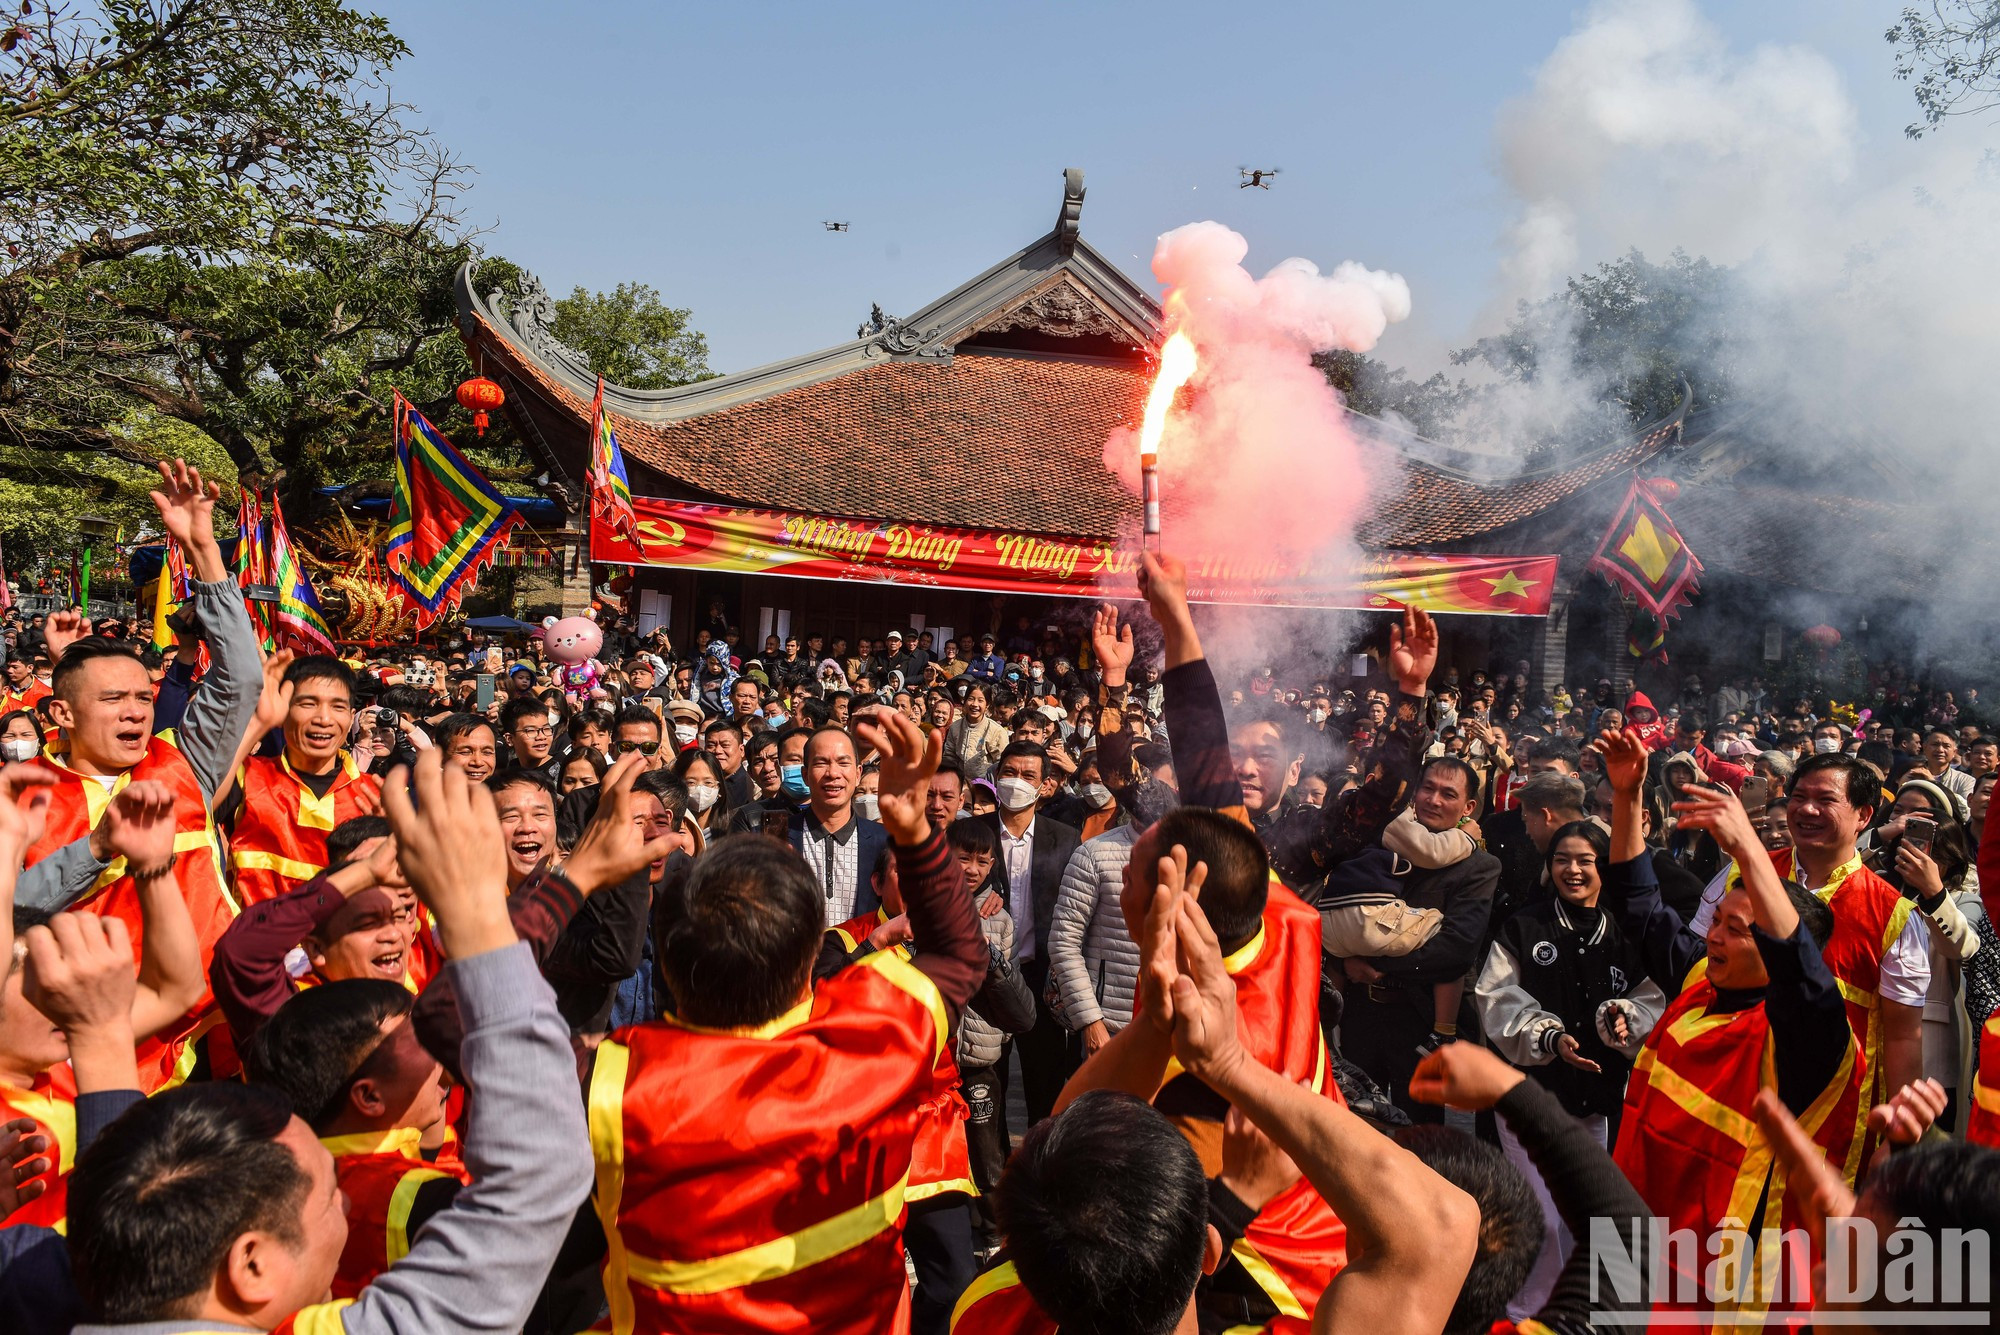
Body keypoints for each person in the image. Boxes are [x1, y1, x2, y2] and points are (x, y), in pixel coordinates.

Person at [63, 750, 595, 1335]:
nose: (394, 933)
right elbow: (533, 1184)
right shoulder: (293, 1019)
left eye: (404, 913)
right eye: (368, 920)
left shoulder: (428, 967)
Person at [961, 847, 1479, 1335]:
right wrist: (1229, 1064)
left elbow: (1068, 1137)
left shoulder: (983, 1312)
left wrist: (1151, 1025)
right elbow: (1441, 1225)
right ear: (1212, 1250)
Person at [586, 708, 986, 1333]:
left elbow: (470, 1037)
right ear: (811, 955)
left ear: (669, 955)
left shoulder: (610, 1082)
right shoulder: (871, 1042)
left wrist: (579, 879)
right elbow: (961, 954)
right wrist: (917, 832)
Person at [1598, 726, 1862, 1325]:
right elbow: (1638, 904)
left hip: (1725, 1278)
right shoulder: (1699, 981)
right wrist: (1627, 798)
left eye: (1739, 931)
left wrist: (1747, 848)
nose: (1714, 936)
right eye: (1717, 920)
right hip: (1639, 1242)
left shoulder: (1805, 1036)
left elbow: (1798, 965)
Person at [18, 461, 262, 1089]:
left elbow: (241, 677)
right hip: (80, 1045)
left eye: (141, 697)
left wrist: (203, 550)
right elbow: (11, 909)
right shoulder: (18, 797)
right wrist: (98, 850)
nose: (133, 711)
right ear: (62, 713)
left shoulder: (182, 761)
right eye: (112, 700)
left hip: (208, 1029)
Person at [1689, 751, 1931, 1171]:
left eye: (1825, 799)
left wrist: (1900, 1135)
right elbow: (1696, 972)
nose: (1806, 809)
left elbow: (1902, 1035)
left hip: (1832, 1116)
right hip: (1733, 1095)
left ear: (1864, 815)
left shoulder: (1893, 914)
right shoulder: (1742, 874)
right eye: (1799, 796)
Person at [1471, 818, 1664, 1319]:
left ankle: (1594, 1312)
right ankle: (1528, 1313)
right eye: (1562, 859)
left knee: (1591, 1210)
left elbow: (1650, 998)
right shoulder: (1523, 924)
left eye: (1585, 860)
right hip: (1532, 1094)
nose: (1572, 870)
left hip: (1597, 1097)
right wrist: (1550, 1038)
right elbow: (1495, 997)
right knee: (1541, 1211)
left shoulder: (1623, 929)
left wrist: (1623, 1019)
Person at [1328, 754, 1499, 1122]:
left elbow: (1457, 949)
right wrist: (1344, 961)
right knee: (1353, 1127)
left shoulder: (1477, 866)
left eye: (1448, 794)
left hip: (1419, 1022)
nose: (1434, 800)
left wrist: (1372, 966)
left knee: (1419, 1140)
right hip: (1359, 1016)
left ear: (1468, 806)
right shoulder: (1380, 837)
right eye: (1428, 788)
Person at [224, 656, 384, 907]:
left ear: (352, 716)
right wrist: (259, 723)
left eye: (338, 707)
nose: (324, 718)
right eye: (309, 704)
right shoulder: (246, 777)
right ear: (283, 708)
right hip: (254, 943)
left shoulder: (377, 795)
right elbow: (195, 808)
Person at [982, 739, 1081, 1124]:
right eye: (1009, 773)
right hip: (985, 982)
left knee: (1046, 1089)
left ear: (1043, 786)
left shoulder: (1064, 838)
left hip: (1041, 980)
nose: (1016, 782)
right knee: (988, 1086)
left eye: (1028, 776)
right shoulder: (973, 834)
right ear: (996, 776)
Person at [789, 724, 886, 921]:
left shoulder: (884, 841)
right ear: (805, 775)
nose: (833, 773)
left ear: (858, 773)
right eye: (821, 763)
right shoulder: (776, 837)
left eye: (843, 763)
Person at [944, 683, 1008, 783]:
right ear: (964, 702)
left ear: (987, 705)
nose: (975, 704)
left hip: (984, 786)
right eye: (971, 699)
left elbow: (1001, 763)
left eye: (980, 701)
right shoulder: (955, 727)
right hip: (959, 782)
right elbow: (949, 756)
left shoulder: (996, 731)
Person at [499, 696, 561, 784]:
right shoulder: (509, 774)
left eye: (546, 728)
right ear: (510, 739)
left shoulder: (564, 770)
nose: (541, 737)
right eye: (531, 731)